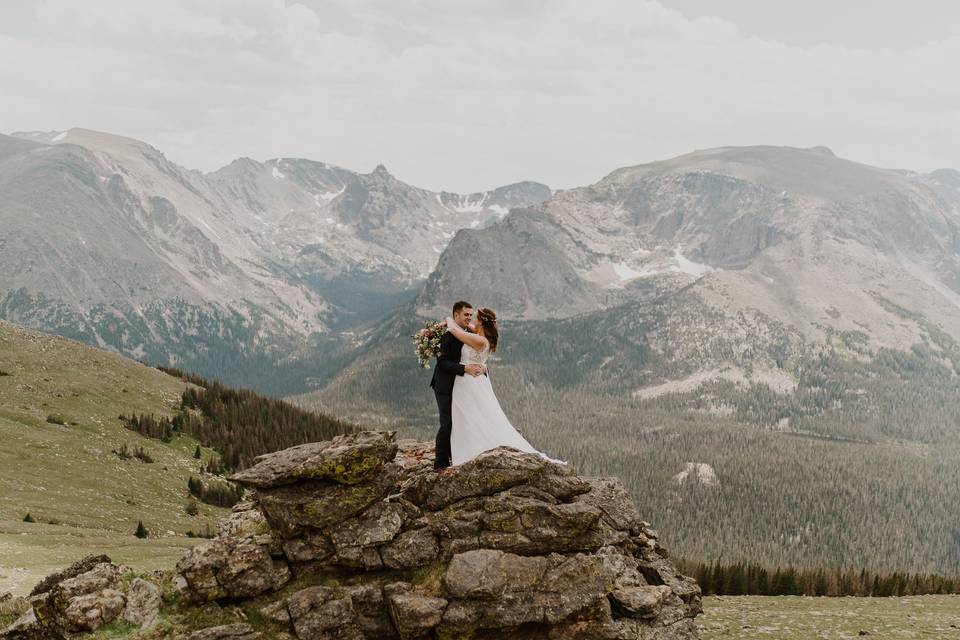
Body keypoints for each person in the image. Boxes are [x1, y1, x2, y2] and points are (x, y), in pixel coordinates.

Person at [444, 306, 563, 466]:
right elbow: (465, 328)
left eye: (475, 318)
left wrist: (448, 319)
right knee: (470, 415)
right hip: (473, 380)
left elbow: (454, 329)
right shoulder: (481, 336)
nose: (472, 320)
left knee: (468, 416)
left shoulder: (479, 340)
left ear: (480, 321)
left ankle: (468, 453)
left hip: (469, 381)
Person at [430, 301, 486, 470]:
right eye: (465, 315)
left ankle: (455, 455)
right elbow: (442, 363)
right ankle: (440, 462)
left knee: (460, 421)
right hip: (444, 385)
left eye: (470, 315)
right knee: (447, 423)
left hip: (462, 386)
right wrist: (464, 369)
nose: (469, 318)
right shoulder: (448, 335)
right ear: (456, 316)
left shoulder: (467, 331)